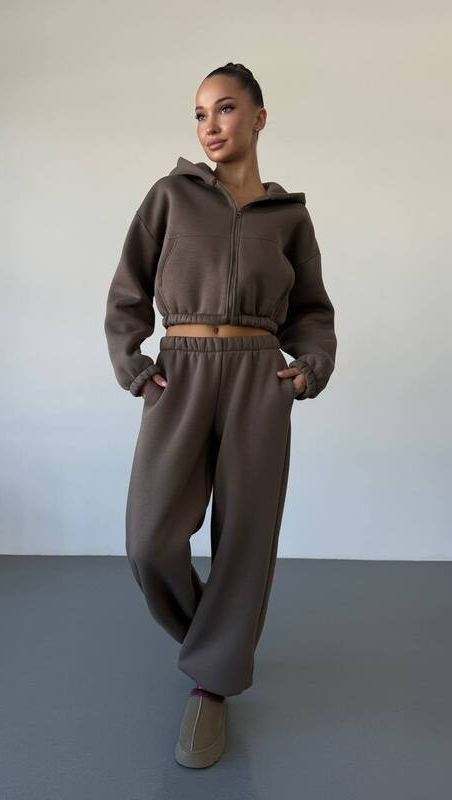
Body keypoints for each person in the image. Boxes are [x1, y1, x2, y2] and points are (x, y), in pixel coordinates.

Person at [104, 62, 337, 768]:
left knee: (245, 540)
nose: (210, 125)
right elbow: (127, 292)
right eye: (201, 113)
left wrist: (309, 367)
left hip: (257, 377)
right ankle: (218, 641)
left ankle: (212, 681)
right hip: (180, 371)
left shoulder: (289, 215)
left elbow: (313, 310)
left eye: (226, 109)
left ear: (259, 117)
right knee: (150, 540)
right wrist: (134, 365)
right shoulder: (170, 196)